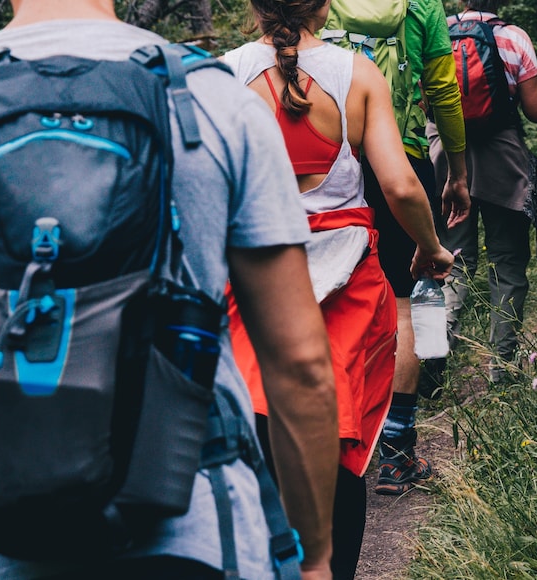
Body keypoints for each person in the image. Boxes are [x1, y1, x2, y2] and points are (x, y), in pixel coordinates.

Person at [0, 1, 339, 578]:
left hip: (6, 534)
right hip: (199, 527)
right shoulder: (212, 100)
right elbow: (301, 365)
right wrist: (314, 557)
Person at [220, 0, 455, 577]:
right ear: (324, 6)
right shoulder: (358, 74)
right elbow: (398, 185)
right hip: (348, 284)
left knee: (254, 427)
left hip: (254, 275)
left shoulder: (222, 75)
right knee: (341, 452)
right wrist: (429, 246)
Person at [356, 0, 472, 497]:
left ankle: (342, 440)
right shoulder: (422, 6)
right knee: (412, 299)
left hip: (330, 163)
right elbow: (444, 90)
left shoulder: (322, 5)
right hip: (401, 160)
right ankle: (399, 453)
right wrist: (458, 172)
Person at [428, 0, 537, 383]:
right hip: (502, 160)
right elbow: (535, 110)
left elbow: (426, 102)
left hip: (444, 159)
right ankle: (501, 367)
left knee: (450, 259)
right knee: (508, 262)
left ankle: (435, 353)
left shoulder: (438, 36)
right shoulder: (513, 37)